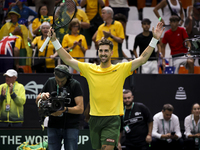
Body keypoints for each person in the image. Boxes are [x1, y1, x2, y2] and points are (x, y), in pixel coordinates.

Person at [47, 19, 164, 150]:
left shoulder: (121, 68)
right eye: (101, 51)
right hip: (94, 119)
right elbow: (68, 59)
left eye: (106, 51)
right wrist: (54, 41)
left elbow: (142, 59)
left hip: (112, 119)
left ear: (111, 52)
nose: (103, 53)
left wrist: (154, 40)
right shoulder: (89, 69)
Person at [35, 64, 84, 150]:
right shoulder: (50, 81)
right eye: (57, 81)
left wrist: (64, 109)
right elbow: (37, 101)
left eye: (62, 81)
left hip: (71, 126)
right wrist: (42, 95)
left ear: (67, 77)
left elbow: (80, 109)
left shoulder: (75, 84)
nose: (60, 83)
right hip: (53, 125)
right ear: (55, 76)